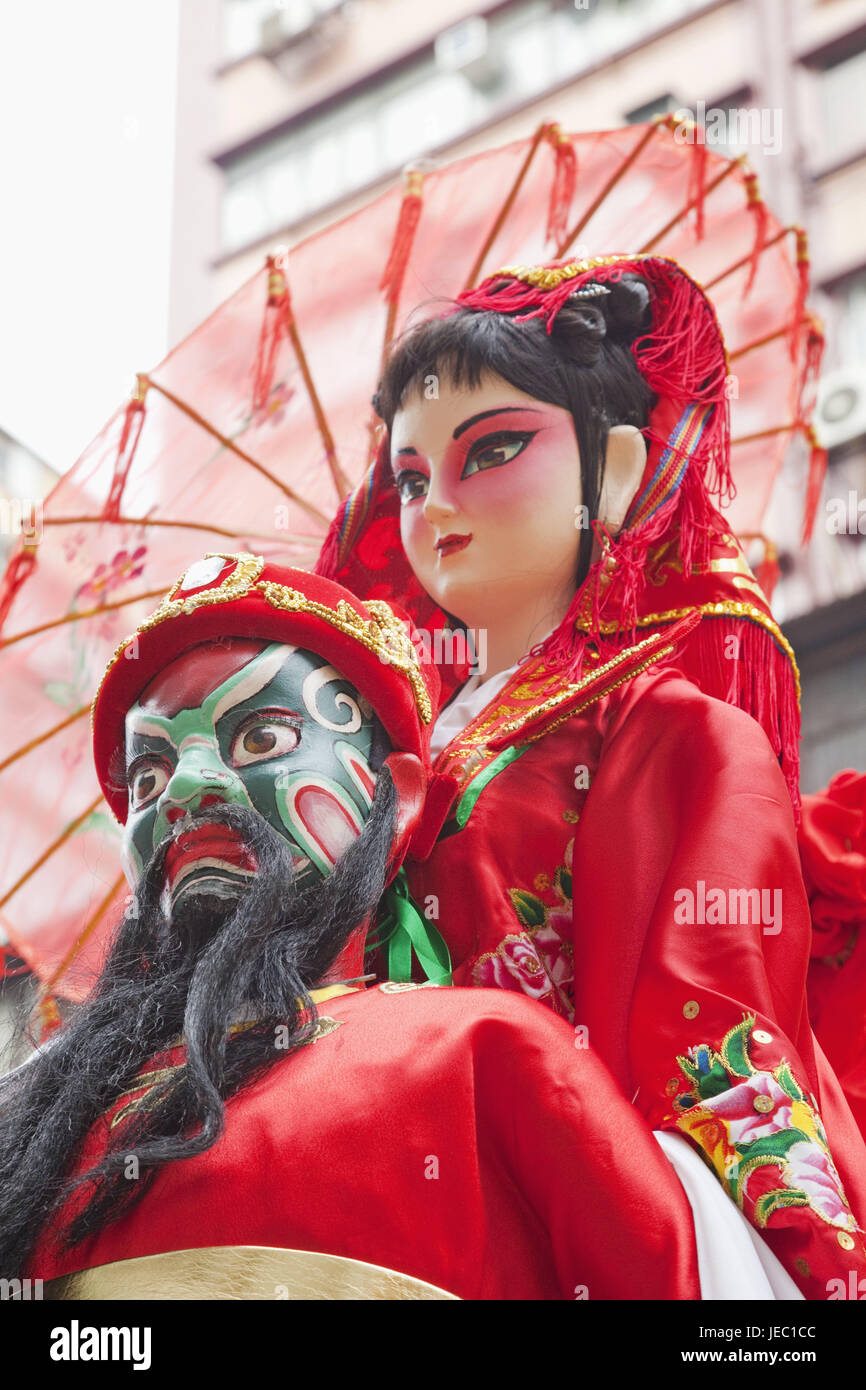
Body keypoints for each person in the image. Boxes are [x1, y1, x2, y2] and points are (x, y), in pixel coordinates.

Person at [315, 254, 866, 1299]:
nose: (436, 508)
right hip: (391, 1195)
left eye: (494, 449)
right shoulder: (382, 767)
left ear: (608, 474)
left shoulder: (668, 730)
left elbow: (707, 1023)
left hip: (575, 1196)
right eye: (411, 478)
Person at [1, 556, 701, 1299]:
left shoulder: (486, 1058)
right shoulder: (35, 1119)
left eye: (261, 738)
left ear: (393, 800)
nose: (187, 787)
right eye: (149, 776)